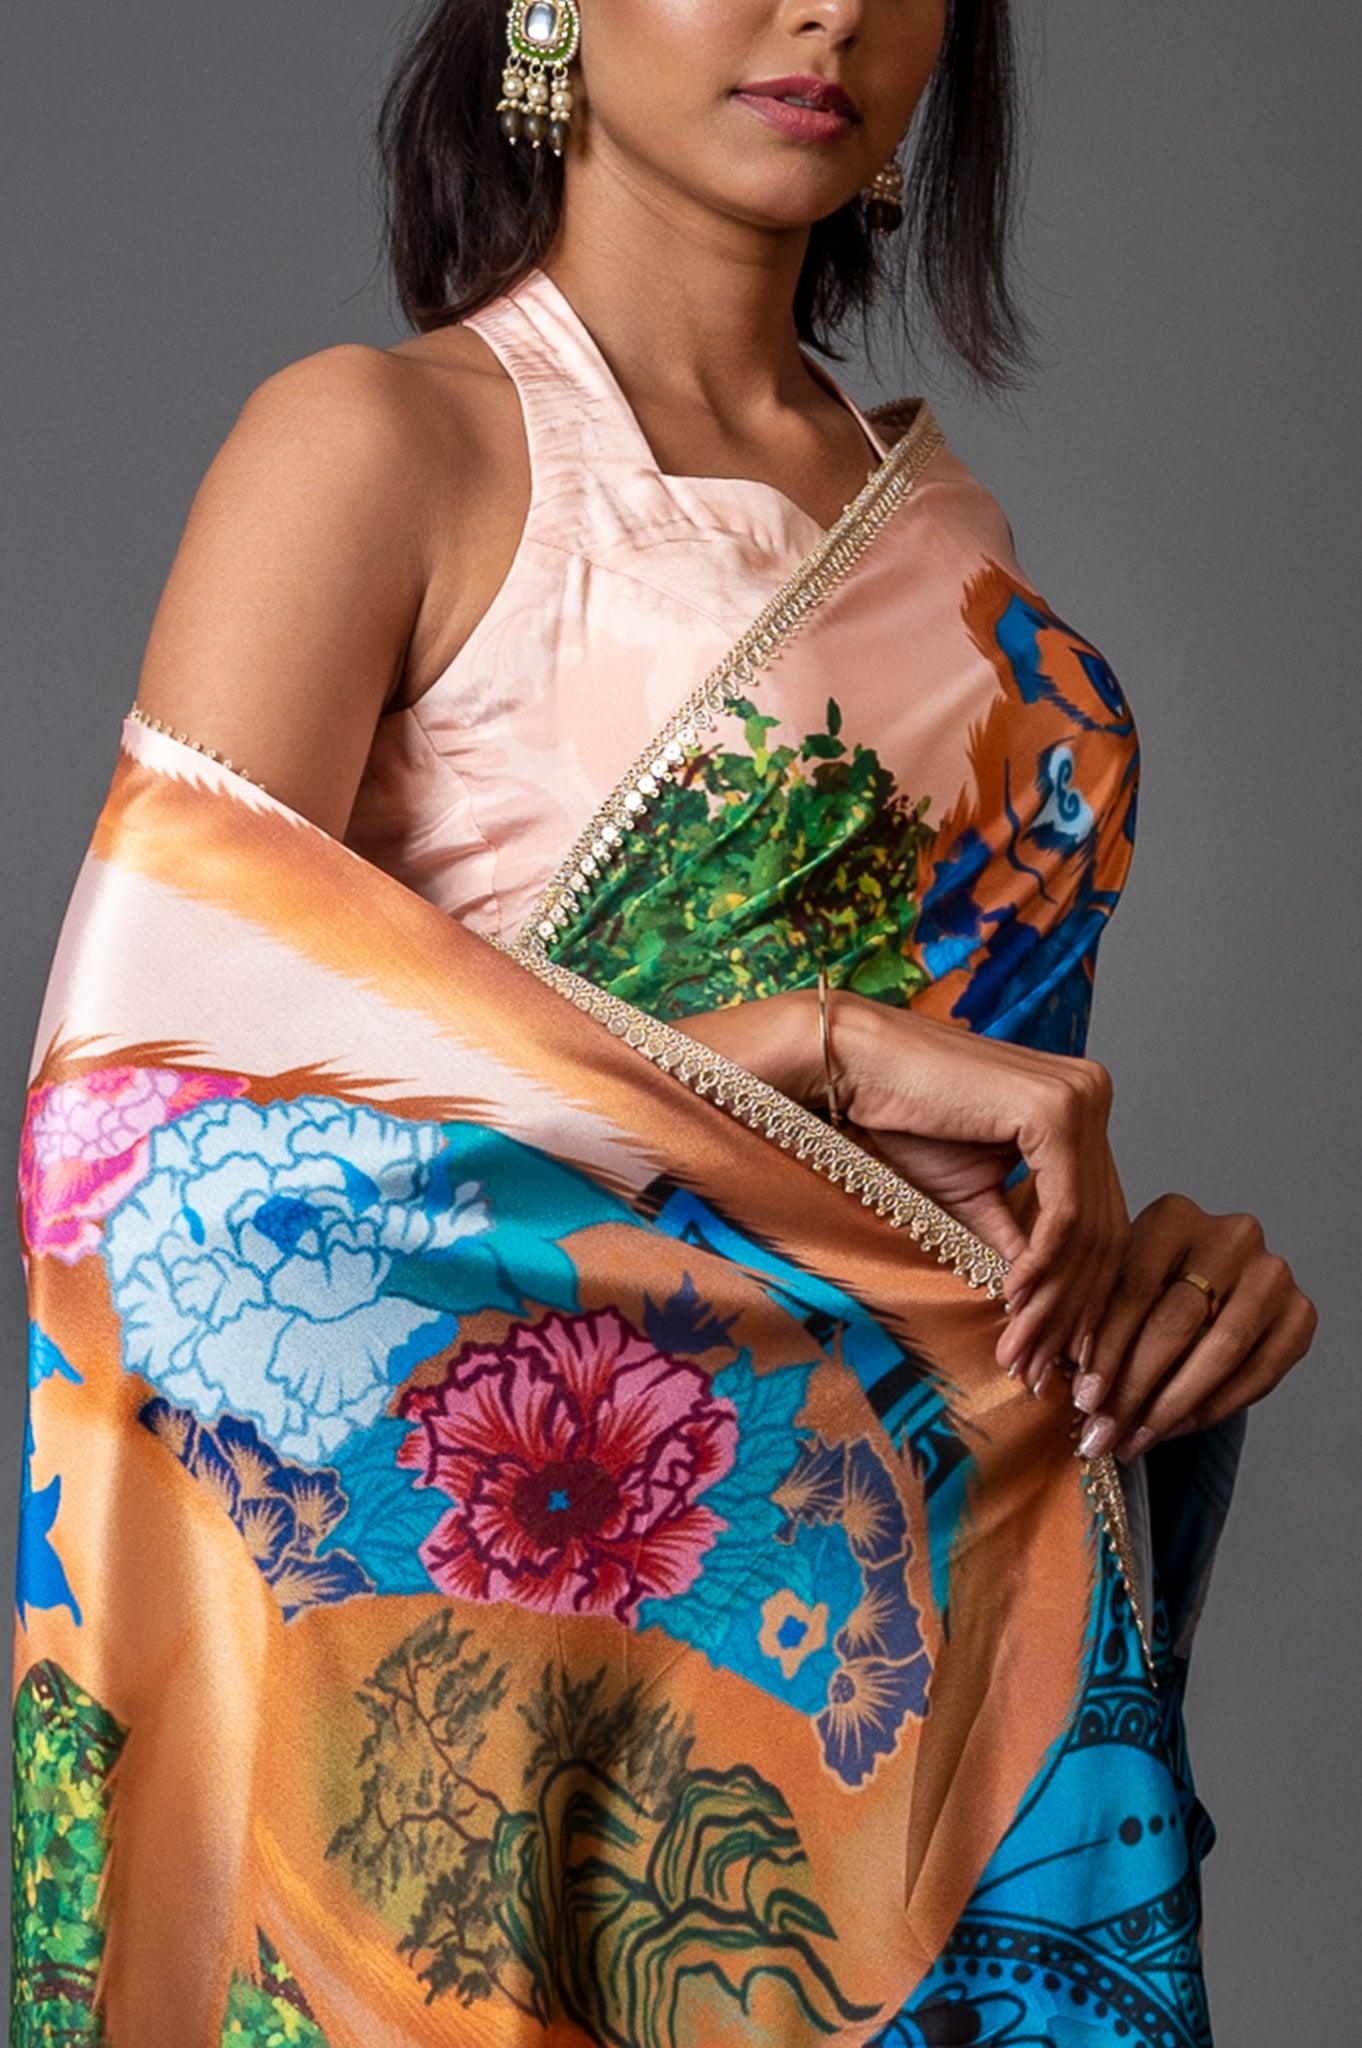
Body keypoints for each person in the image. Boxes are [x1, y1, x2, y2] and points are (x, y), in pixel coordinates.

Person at [13, 1, 1317, 2042]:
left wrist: (1142, 1282)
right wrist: (794, 1049)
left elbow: (931, 1204)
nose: (830, 9)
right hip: (500, 1733)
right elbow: (141, 1166)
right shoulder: (378, 447)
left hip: (924, 1686)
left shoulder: (959, 551)